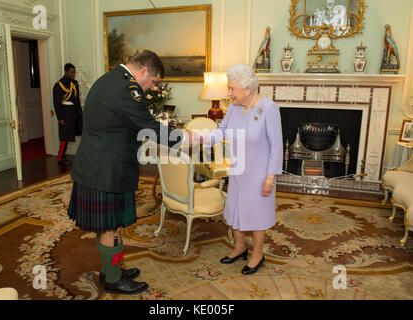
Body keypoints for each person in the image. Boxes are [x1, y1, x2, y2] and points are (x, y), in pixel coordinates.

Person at [67, 50, 192, 295]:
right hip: (105, 171)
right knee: (110, 228)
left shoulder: (111, 79)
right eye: (155, 82)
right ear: (143, 70)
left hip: (101, 166)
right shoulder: (127, 89)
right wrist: (187, 137)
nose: (154, 88)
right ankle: (113, 278)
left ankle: (112, 269)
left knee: (110, 227)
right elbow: (149, 128)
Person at [200, 64, 283, 275]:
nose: (229, 93)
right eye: (229, 88)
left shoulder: (269, 108)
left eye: (232, 89)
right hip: (237, 170)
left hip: (259, 174)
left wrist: (270, 179)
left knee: (257, 214)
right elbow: (222, 132)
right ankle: (239, 247)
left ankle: (258, 253)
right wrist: (202, 138)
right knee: (235, 209)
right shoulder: (235, 107)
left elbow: (276, 147)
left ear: (247, 89)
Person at [53, 63, 83, 165]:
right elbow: (57, 104)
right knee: (64, 138)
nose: (73, 74)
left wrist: (80, 113)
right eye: (71, 72)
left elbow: (77, 99)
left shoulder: (75, 83)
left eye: (74, 72)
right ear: (66, 72)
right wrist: (60, 118)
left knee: (78, 133)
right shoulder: (58, 85)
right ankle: (60, 157)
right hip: (65, 113)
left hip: (74, 112)